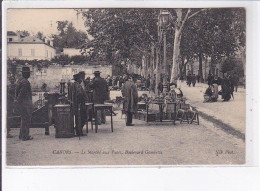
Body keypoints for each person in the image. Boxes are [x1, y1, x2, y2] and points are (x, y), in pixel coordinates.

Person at [15, 67, 33, 141]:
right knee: (26, 119)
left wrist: (17, 101)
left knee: (23, 119)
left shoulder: (20, 80)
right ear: (25, 73)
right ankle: (25, 136)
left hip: (22, 103)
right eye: (28, 73)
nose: (29, 74)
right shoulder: (25, 82)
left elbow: (17, 93)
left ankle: (21, 135)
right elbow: (21, 93)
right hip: (25, 104)